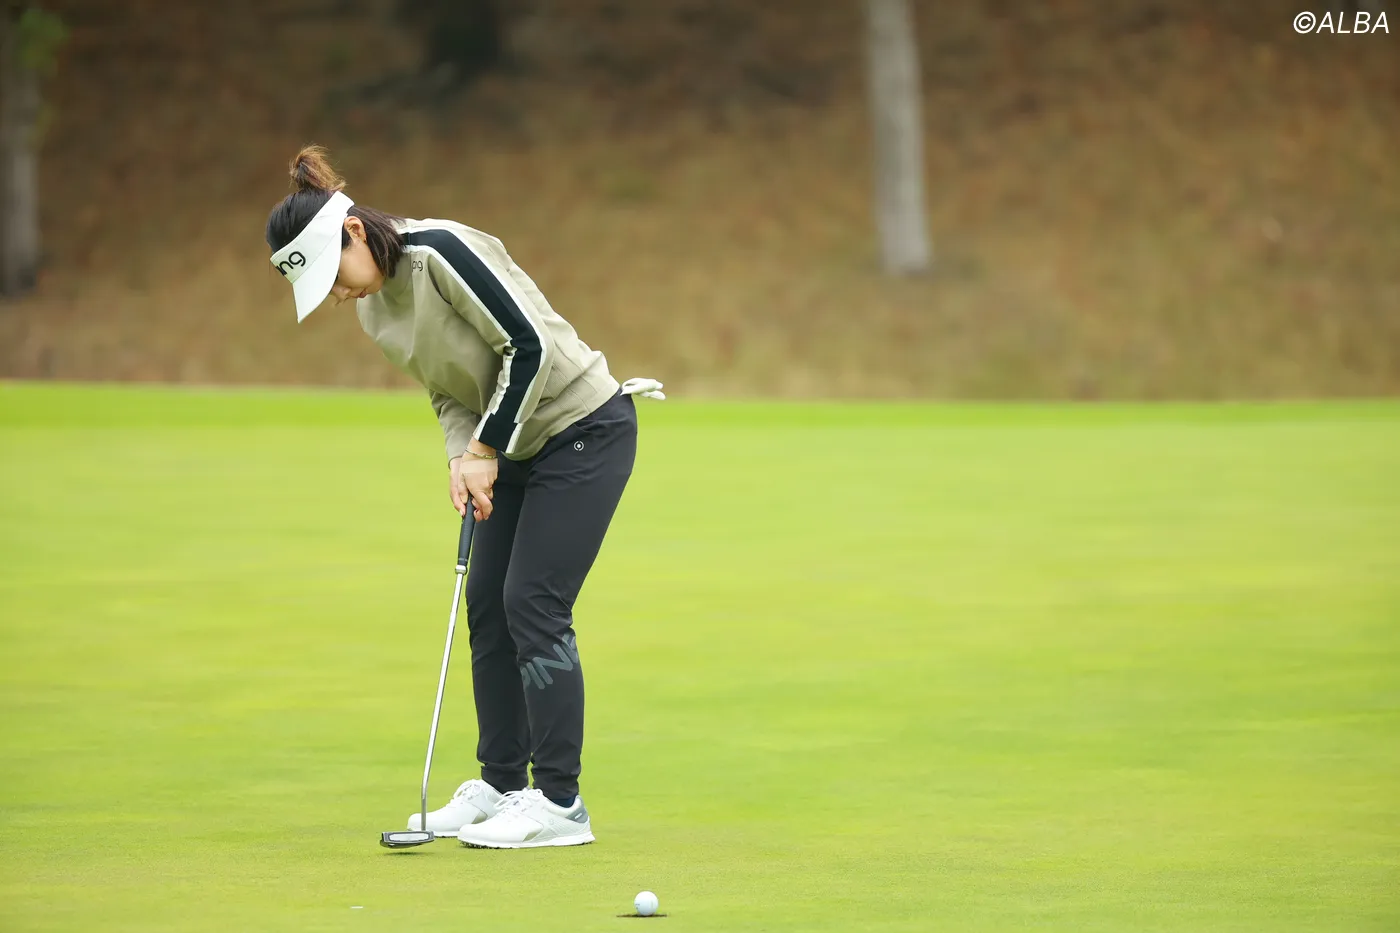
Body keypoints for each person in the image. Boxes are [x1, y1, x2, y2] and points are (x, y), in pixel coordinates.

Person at [264, 145, 663, 849]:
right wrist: (462, 452)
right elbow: (447, 389)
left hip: (583, 429)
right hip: (510, 448)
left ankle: (560, 803)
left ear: (354, 232)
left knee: (533, 602)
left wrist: (483, 449)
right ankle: (502, 785)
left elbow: (528, 346)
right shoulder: (373, 312)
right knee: (487, 602)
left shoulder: (440, 250)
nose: (337, 295)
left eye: (333, 275)